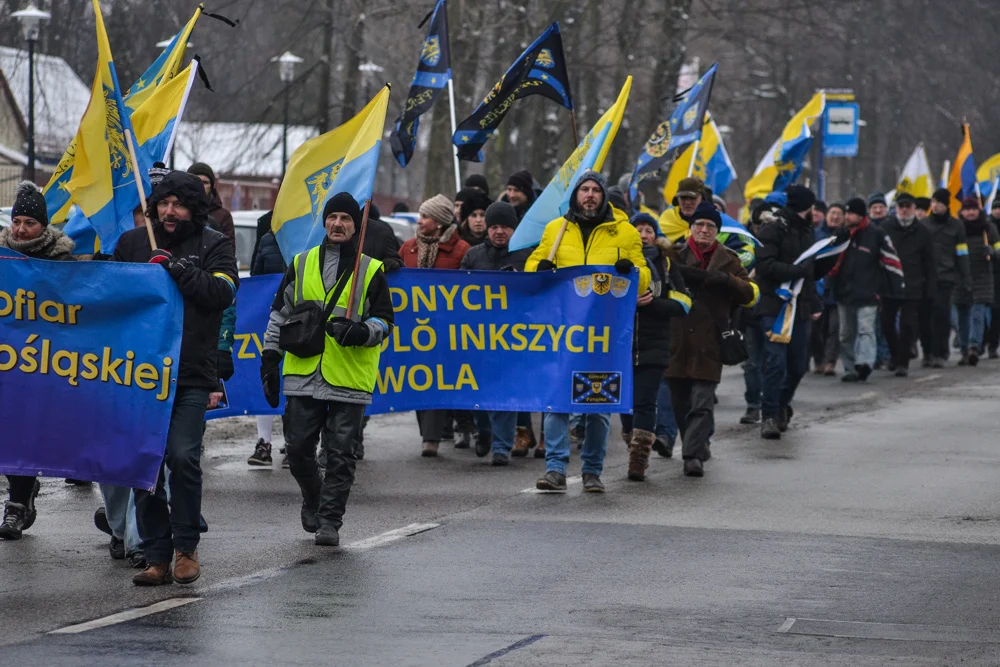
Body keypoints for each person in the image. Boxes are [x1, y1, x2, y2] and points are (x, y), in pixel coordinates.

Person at [113, 172, 238, 585]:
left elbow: (222, 293)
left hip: (191, 373)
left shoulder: (213, 244)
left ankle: (186, 547)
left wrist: (181, 271)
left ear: (194, 209)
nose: (169, 211)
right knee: (145, 463)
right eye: (163, 203)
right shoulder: (132, 243)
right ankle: (156, 554)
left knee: (182, 457)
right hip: (141, 376)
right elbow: (111, 300)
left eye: (179, 204)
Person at [260, 192, 393, 547]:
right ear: (324, 222)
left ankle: (330, 521)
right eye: (332, 217)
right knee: (297, 448)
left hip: (350, 374)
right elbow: (279, 314)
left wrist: (362, 331)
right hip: (303, 371)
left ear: (356, 226)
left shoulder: (371, 269)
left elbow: (385, 321)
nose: (338, 224)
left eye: (346, 219)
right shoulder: (301, 263)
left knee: (340, 453)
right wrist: (269, 357)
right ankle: (314, 498)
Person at [525, 170, 650, 493]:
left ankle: (592, 471)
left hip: (602, 335)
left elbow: (644, 278)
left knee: (598, 404)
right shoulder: (556, 229)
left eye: (596, 189)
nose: (590, 195)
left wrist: (631, 273)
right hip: (562, 331)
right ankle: (555, 469)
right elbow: (532, 269)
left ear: (604, 195)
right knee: (557, 401)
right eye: (585, 189)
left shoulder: (624, 232)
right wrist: (539, 269)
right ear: (576, 195)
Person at [0, 183, 75, 540]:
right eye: (16, 221)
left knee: (31, 429)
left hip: (49, 363)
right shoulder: (2, 257)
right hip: (8, 360)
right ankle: (18, 500)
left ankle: (20, 500)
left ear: (43, 226)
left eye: (29, 223)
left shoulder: (62, 262)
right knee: (10, 428)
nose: (20, 229)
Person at [666, 203, 757, 477]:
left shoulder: (729, 259)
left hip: (711, 341)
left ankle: (693, 455)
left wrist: (727, 281)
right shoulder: (673, 254)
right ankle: (696, 443)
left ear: (717, 231)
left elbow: (750, 295)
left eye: (710, 226)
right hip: (677, 339)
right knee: (680, 402)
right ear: (691, 228)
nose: (704, 230)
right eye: (699, 224)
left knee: (702, 402)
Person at [755, 185, 839, 439]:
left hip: (800, 307)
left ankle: (782, 403)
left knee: (798, 366)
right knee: (775, 362)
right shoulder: (773, 228)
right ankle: (769, 415)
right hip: (774, 306)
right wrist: (796, 271)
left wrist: (815, 302)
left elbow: (809, 272)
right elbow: (765, 266)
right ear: (807, 206)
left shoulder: (807, 230)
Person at [460, 201, 533, 464]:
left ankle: (502, 447)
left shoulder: (526, 256)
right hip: (478, 336)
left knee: (506, 392)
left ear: (514, 228)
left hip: (513, 337)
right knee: (478, 390)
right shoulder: (473, 256)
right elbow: (457, 292)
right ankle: (484, 430)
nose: (499, 231)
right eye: (494, 227)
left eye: (505, 227)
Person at [622, 213, 692, 481]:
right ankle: (631, 440)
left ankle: (638, 460)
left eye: (648, 230)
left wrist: (653, 303)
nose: (643, 235)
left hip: (654, 344)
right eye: (638, 230)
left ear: (656, 235)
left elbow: (684, 303)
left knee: (645, 402)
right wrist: (630, 302)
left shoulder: (666, 263)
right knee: (625, 406)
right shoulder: (616, 260)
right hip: (620, 345)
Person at [400, 195, 471, 456]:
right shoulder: (408, 248)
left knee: (439, 379)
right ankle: (428, 433)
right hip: (415, 328)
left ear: (440, 222)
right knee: (419, 378)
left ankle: (432, 437)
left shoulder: (461, 250)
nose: (419, 221)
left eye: (425, 216)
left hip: (446, 330)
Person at [830, 198, 904, 382]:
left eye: (851, 213)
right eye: (847, 213)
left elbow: (891, 261)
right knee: (846, 334)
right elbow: (829, 263)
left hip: (869, 292)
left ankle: (864, 364)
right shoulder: (841, 234)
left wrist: (896, 288)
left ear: (861, 215)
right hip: (844, 293)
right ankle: (850, 369)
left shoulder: (876, 234)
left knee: (866, 331)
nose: (847, 217)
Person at [247, 212, 288, 468]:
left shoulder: (314, 236)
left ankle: (295, 443)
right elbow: (256, 281)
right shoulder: (267, 239)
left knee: (296, 382)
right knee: (268, 376)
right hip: (270, 320)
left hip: (303, 322)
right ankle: (264, 443)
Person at [881, 193, 937, 377]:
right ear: (896, 208)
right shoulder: (885, 228)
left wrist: (930, 287)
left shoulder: (923, 232)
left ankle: (902, 362)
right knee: (886, 323)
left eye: (908, 206)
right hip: (890, 283)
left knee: (907, 325)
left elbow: (929, 262)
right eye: (901, 206)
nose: (904, 210)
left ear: (913, 208)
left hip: (913, 284)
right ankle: (895, 354)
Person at [919, 189, 971, 367]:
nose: (935, 206)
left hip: (946, 276)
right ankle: (927, 351)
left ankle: (940, 352)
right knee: (925, 316)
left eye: (939, 202)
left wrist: (966, 276)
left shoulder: (956, 226)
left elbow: (962, 253)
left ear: (947, 205)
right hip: (925, 277)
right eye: (933, 202)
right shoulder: (923, 224)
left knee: (941, 315)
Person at [953, 197, 999, 366]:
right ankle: (964, 349)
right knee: (962, 317)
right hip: (961, 278)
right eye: (967, 209)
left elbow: (998, 250)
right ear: (962, 212)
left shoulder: (988, 228)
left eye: (974, 209)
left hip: (982, 278)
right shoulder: (956, 228)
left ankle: (974, 346)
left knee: (977, 314)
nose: (971, 213)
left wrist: (992, 252)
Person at [811, 203, 845, 376]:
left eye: (839, 214)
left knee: (834, 328)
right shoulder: (817, 235)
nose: (835, 217)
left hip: (838, 290)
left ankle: (830, 362)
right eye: (833, 213)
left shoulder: (845, 237)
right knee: (816, 330)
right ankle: (818, 360)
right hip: (818, 289)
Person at [187, 162, 236, 249]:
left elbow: (228, 250)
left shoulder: (223, 216)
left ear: (211, 186)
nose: (201, 186)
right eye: (196, 181)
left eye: (205, 182)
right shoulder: (178, 211)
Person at [986, 198, 1000, 358]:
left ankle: (993, 344)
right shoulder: (986, 227)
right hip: (988, 273)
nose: (998, 211)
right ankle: (986, 341)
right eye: (995, 208)